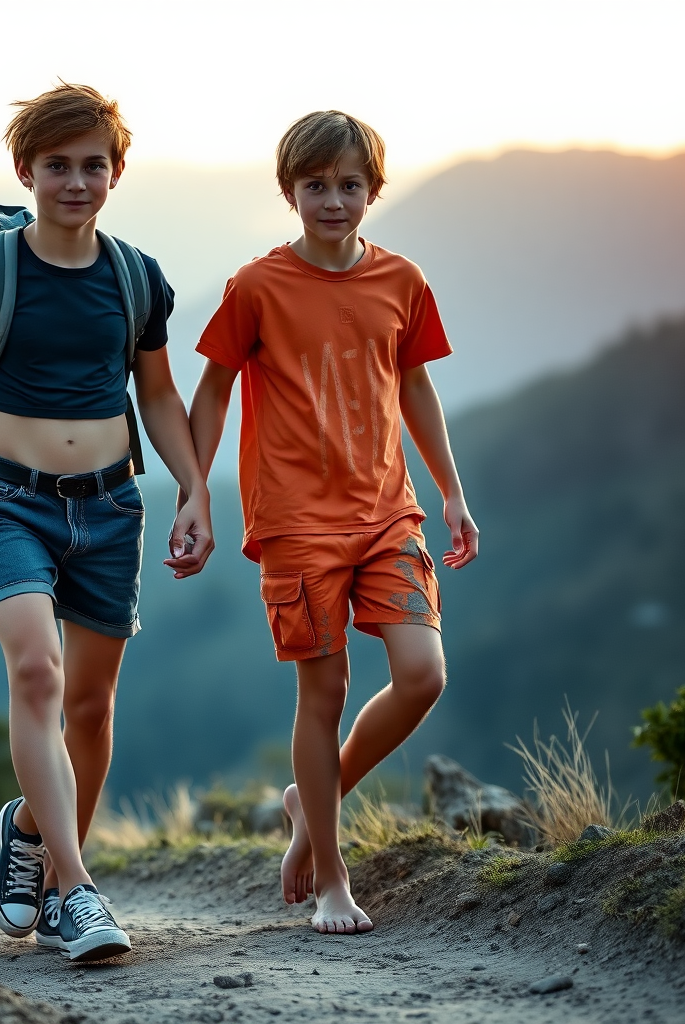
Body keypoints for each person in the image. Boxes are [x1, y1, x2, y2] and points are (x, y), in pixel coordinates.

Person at [0, 83, 213, 961]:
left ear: (117, 171)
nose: (75, 182)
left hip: (114, 506)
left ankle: (36, 843)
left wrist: (192, 488)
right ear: (25, 169)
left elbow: (155, 390)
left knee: (89, 704)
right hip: (9, 504)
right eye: (57, 165)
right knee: (37, 671)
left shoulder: (133, 274)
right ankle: (78, 891)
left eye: (92, 166)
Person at [186, 111, 478, 934]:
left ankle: (310, 802)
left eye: (350, 185)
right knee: (326, 691)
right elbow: (213, 389)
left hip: (390, 510)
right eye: (316, 185)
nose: (333, 200)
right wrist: (196, 493)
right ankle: (330, 877)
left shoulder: (403, 281)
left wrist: (451, 491)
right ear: (291, 192)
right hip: (296, 523)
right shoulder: (256, 287)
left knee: (423, 673)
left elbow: (415, 385)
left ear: (373, 190)